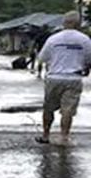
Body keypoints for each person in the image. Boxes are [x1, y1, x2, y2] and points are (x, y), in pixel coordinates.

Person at [36, 11, 91, 146]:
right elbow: (89, 58)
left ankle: (45, 135)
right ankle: (64, 137)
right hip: (74, 78)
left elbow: (42, 58)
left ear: (64, 23)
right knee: (68, 110)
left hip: (54, 77)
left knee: (48, 108)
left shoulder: (53, 39)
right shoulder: (84, 40)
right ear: (78, 24)